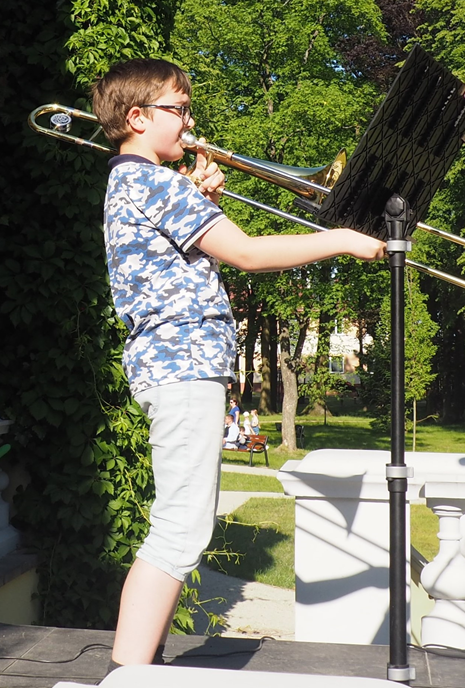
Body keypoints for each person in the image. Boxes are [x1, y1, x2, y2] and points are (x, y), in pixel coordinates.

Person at [96, 58, 385, 668]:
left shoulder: (135, 183)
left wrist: (199, 197)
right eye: (179, 110)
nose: (190, 122)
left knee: (180, 525)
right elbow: (248, 254)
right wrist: (341, 240)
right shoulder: (155, 184)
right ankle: (128, 673)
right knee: (179, 529)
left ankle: (137, 669)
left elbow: (170, 262)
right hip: (182, 365)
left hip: (173, 364)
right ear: (138, 117)